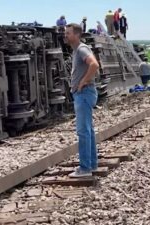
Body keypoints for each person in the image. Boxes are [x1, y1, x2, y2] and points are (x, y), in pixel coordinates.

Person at [65, 23, 99, 177]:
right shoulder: (77, 51)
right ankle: (91, 165)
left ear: (77, 35)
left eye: (68, 33)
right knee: (88, 130)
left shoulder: (81, 49)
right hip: (84, 93)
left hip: (84, 93)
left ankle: (85, 169)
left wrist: (83, 82)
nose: (66, 35)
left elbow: (94, 64)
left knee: (83, 131)